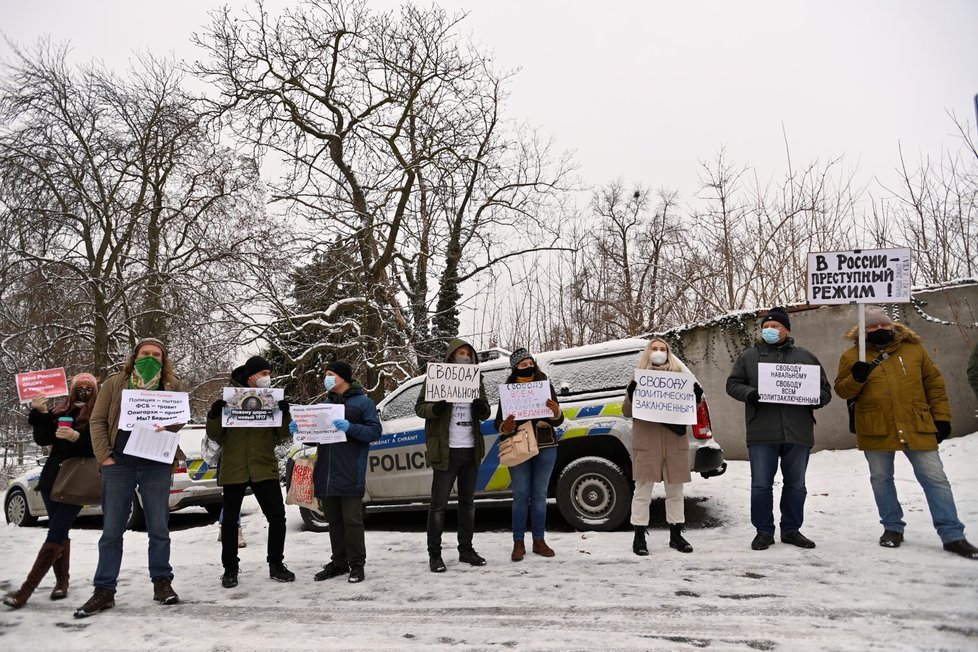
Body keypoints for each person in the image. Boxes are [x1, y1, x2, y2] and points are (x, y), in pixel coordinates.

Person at [834, 306, 978, 559]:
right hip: (875, 427)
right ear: (863, 331)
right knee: (881, 479)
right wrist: (856, 378)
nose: (879, 329)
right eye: (872, 327)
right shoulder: (851, 356)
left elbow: (934, 384)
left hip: (917, 425)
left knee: (936, 480)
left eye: (883, 325)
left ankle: (952, 535)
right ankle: (892, 528)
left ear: (892, 326)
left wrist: (942, 418)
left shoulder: (914, 350)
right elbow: (843, 391)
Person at [74, 338, 185, 618]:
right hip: (119, 464)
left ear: (164, 359)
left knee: (159, 527)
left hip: (157, 463)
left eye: (156, 355)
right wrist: (105, 457)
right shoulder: (115, 383)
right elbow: (97, 420)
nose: (150, 358)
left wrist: (168, 424)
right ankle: (104, 589)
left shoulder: (171, 384)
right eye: (145, 353)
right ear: (134, 356)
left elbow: (178, 418)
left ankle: (162, 582)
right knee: (112, 530)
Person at [726, 307, 831, 551]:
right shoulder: (748, 357)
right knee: (761, 484)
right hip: (762, 431)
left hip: (798, 431)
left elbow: (825, 390)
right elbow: (732, 384)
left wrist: (817, 398)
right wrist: (751, 394)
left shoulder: (806, 357)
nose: (769, 331)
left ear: (787, 330)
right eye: (765, 327)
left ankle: (791, 530)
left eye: (774, 327)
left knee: (796, 485)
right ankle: (763, 531)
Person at [4, 374, 98, 609]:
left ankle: (25, 591)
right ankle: (61, 582)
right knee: (60, 530)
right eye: (79, 386)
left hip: (77, 478)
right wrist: (41, 413)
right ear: (72, 389)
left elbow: (101, 442)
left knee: (55, 532)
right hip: (52, 477)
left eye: (88, 387)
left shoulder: (99, 413)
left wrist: (78, 437)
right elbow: (42, 438)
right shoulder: (59, 411)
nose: (84, 390)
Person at [206, 356, 294, 588]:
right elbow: (215, 435)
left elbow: (283, 435)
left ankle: (276, 563)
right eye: (263, 373)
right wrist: (214, 415)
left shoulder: (271, 399)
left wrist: (284, 414)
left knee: (277, 517)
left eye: (269, 373)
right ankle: (230, 569)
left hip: (263, 466)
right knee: (230, 522)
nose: (267, 378)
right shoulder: (230, 398)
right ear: (250, 376)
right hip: (234, 468)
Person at [416, 338, 492, 573]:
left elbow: (486, 411)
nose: (465, 357)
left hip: (470, 450)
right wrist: (436, 408)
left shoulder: (476, 380)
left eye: (468, 354)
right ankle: (435, 555)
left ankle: (466, 550)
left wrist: (481, 408)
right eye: (461, 353)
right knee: (438, 506)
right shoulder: (436, 378)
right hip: (445, 451)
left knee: (467, 504)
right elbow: (420, 408)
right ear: (451, 356)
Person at [306, 361, 382, 584]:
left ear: (343, 377)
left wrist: (350, 427)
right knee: (334, 521)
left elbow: (375, 431)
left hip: (350, 470)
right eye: (325, 374)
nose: (326, 378)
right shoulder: (324, 405)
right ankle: (339, 562)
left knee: (352, 520)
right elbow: (317, 436)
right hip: (326, 472)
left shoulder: (363, 403)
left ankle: (357, 564)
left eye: (330, 374)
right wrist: (301, 432)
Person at [624, 339, 702, 556]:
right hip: (647, 443)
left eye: (663, 349)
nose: (658, 352)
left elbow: (690, 412)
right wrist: (632, 393)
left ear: (669, 353)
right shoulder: (639, 377)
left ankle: (676, 535)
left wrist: (695, 398)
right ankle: (639, 536)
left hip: (674, 443)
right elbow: (627, 411)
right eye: (654, 349)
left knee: (675, 492)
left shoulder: (680, 378)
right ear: (648, 353)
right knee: (642, 493)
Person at [493, 348, 564, 562]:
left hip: (546, 446)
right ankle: (518, 542)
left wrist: (557, 413)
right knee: (521, 496)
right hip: (519, 447)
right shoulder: (508, 391)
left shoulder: (545, 386)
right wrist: (506, 426)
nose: (528, 367)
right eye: (522, 365)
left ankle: (539, 541)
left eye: (530, 362)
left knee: (540, 496)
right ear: (515, 368)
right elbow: (498, 423)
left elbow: (558, 420)